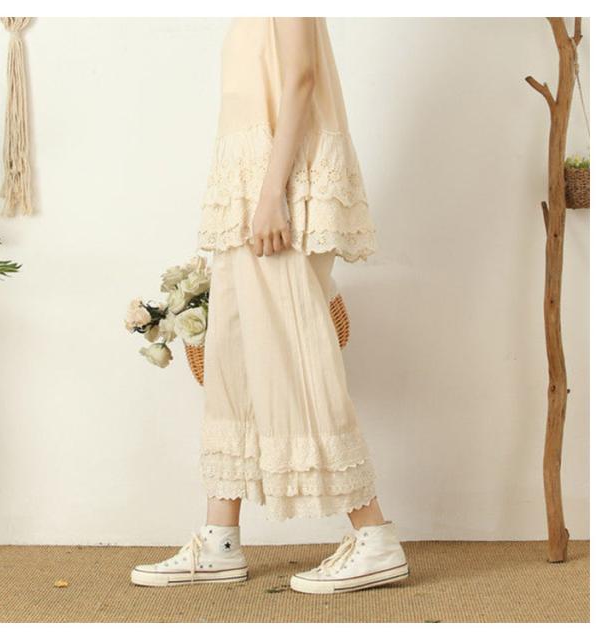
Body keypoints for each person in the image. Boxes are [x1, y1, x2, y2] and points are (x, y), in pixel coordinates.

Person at [131, 17, 408, 595]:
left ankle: (375, 537)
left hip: (276, 189)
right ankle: (220, 540)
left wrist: (271, 194)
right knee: (233, 356)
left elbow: (302, 78)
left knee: (295, 359)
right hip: (250, 188)